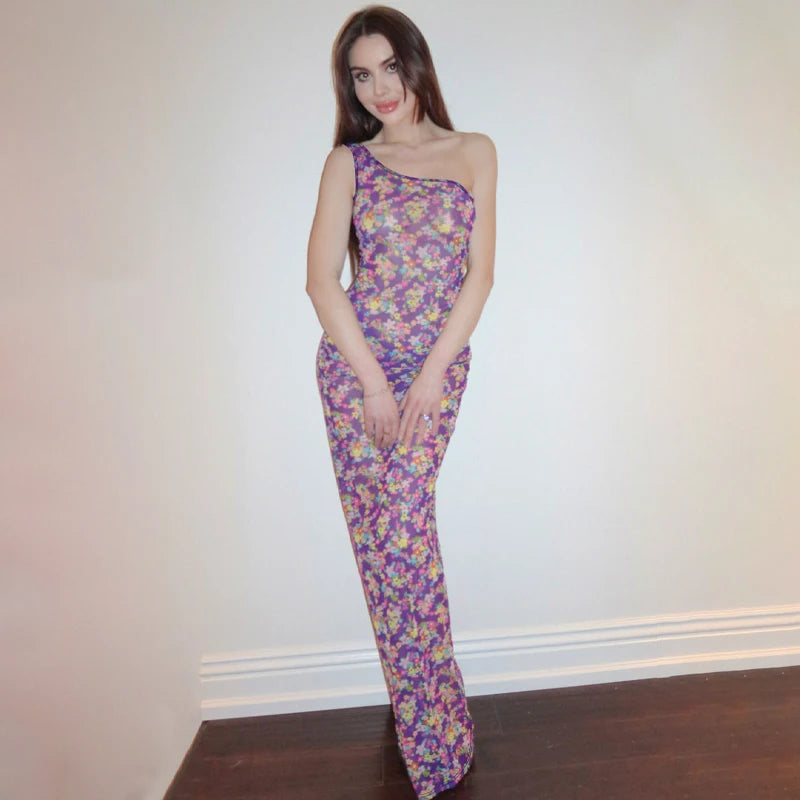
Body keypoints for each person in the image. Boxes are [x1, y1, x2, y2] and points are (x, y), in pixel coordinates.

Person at [306, 5, 496, 798]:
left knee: (405, 536)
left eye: (389, 67)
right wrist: (376, 382)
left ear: (416, 64)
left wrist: (429, 374)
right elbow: (323, 283)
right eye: (361, 75)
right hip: (358, 373)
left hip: (435, 370)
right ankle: (426, 719)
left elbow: (480, 276)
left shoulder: (474, 152)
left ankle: (435, 725)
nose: (378, 88)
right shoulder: (348, 163)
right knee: (381, 549)